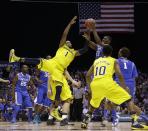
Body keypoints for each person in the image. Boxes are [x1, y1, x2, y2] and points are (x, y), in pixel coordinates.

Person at [9, 16, 89, 126]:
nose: (69, 42)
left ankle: (53, 119)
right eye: (67, 41)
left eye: (70, 42)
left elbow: (85, 50)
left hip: (59, 71)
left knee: (65, 97)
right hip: (52, 63)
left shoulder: (74, 53)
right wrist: (69, 25)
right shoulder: (62, 46)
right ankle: (16, 58)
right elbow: (64, 35)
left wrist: (87, 40)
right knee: (39, 61)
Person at [81, 45, 148, 130]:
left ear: (102, 52)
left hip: (95, 84)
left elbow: (87, 75)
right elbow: (119, 74)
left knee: (93, 104)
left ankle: (85, 122)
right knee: (128, 99)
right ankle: (134, 123)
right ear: (111, 53)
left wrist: (89, 88)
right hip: (107, 83)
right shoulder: (114, 60)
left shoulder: (97, 61)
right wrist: (124, 87)